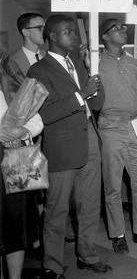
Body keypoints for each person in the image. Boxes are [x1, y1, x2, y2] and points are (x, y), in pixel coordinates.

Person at [27, 14, 112, 278]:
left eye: (74, 32)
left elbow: (96, 105)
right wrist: (81, 94)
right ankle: (52, 265)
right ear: (52, 36)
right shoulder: (38, 71)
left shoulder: (77, 62)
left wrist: (92, 73)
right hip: (62, 147)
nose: (74, 37)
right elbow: (43, 115)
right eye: (68, 32)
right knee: (57, 209)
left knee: (89, 205)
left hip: (89, 142)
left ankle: (87, 255)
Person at [98, 18, 137, 255]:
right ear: (104, 36)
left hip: (135, 125)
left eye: (123, 27)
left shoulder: (134, 63)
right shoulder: (95, 63)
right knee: (113, 186)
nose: (122, 30)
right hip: (110, 126)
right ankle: (117, 234)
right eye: (115, 28)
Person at [0, 67, 44, 279]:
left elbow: (37, 121)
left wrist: (22, 131)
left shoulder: (13, 84)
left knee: (15, 226)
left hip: (14, 163)